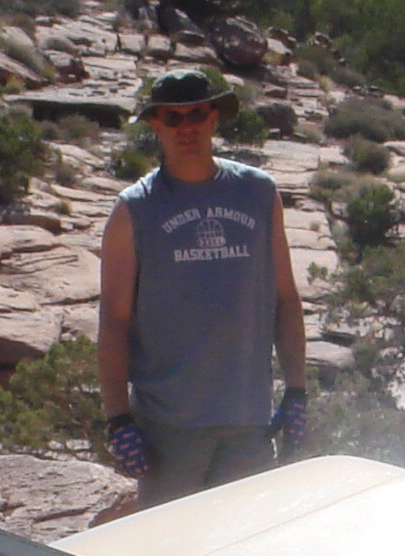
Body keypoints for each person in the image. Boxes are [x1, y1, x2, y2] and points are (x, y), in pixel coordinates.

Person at [96, 66, 311, 510]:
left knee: (243, 541)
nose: (186, 127)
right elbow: (114, 320)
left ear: (214, 117)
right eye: (172, 118)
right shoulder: (134, 209)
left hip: (248, 419)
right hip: (168, 427)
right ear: (155, 125)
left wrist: (296, 390)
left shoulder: (258, 193)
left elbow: (285, 299)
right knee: (169, 546)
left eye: (196, 114)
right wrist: (118, 419)